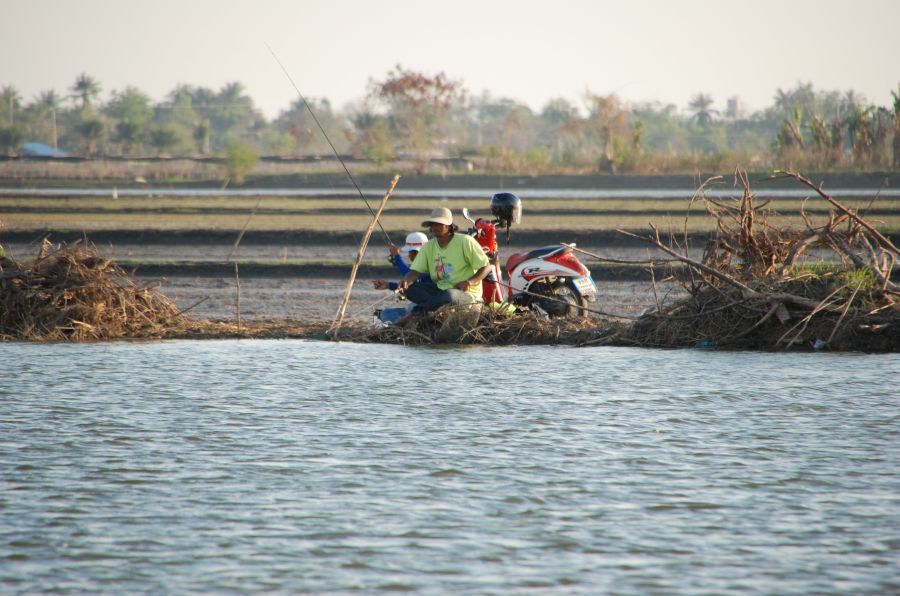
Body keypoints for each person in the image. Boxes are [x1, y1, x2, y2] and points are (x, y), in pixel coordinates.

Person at [396, 207, 492, 314]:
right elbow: (415, 271)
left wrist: (469, 282)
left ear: (448, 226)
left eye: (439, 224)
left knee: (449, 295)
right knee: (409, 290)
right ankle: (436, 307)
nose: (435, 227)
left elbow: (486, 267)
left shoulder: (465, 241)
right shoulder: (428, 247)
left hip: (466, 295)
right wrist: (406, 281)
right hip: (440, 291)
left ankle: (421, 310)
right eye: (433, 224)